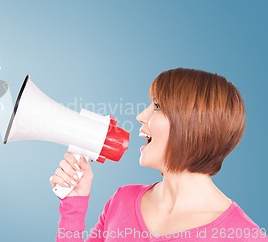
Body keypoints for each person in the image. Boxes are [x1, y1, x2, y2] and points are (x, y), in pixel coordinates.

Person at [50, 68, 267, 241]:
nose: (140, 116)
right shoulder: (122, 200)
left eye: (157, 106)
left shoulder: (244, 236)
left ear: (194, 125)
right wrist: (74, 205)